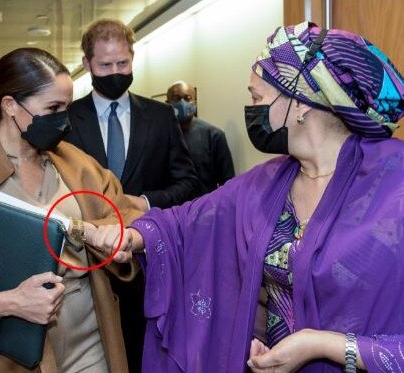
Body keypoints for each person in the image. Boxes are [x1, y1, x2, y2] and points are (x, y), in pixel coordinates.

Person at [92, 22, 404, 372]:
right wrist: (132, 236)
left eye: (257, 97)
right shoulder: (268, 181)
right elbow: (186, 221)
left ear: (301, 102)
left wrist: (322, 345)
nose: (250, 108)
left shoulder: (395, 187)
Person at [0, 47, 144, 373]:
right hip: (9, 357)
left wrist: (117, 234)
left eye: (67, 107)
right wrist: (6, 302)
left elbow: (128, 213)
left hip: (92, 344)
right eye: (53, 108)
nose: (64, 119)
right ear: (10, 107)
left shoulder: (75, 163)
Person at [64, 18, 200, 372]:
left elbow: (188, 183)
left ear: (132, 59)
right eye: (105, 65)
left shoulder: (160, 116)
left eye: (122, 63)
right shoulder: (66, 119)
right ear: (87, 64)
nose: (115, 72)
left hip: (148, 262)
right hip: (86, 263)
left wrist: (145, 202)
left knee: (143, 353)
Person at [166, 80, 235, 195]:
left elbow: (228, 183)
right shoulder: (158, 136)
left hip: (203, 209)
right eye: (177, 98)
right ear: (167, 103)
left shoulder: (214, 136)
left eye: (187, 98)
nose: (182, 103)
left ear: (195, 102)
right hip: (169, 209)